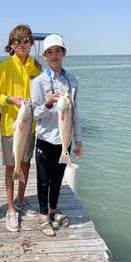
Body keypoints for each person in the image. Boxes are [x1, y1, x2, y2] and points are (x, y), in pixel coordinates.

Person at [31, 34, 83, 237]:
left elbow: (75, 112)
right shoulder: (38, 82)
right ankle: (43, 214)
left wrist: (78, 140)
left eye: (58, 51)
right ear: (44, 56)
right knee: (43, 179)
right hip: (45, 138)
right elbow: (35, 113)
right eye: (50, 52)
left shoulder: (72, 80)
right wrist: (48, 103)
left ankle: (53, 209)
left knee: (58, 178)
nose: (54, 56)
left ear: (64, 53)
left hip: (65, 139)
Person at [0, 24, 41, 232]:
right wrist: (9, 99)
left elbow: (41, 94)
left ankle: (21, 201)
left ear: (31, 43)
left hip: (30, 125)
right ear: (11, 45)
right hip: (9, 126)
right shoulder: (5, 66)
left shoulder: (36, 67)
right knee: (10, 167)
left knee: (26, 164)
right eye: (17, 41)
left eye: (25, 41)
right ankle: (11, 209)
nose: (21, 44)